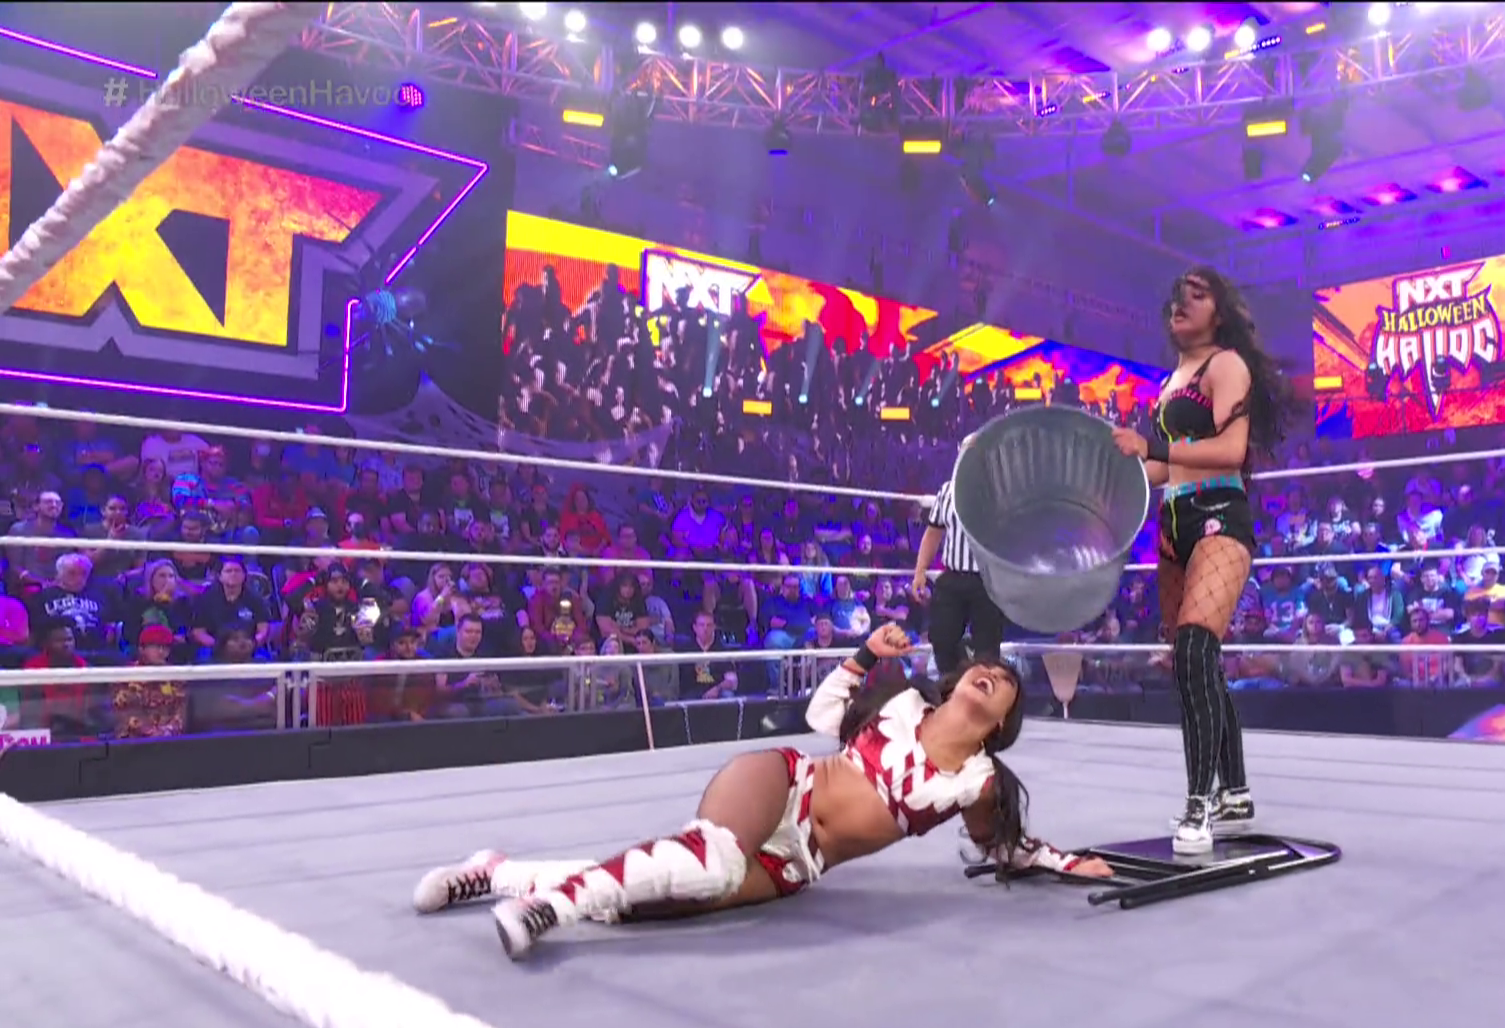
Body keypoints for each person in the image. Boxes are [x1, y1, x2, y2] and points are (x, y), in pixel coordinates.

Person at [412, 624, 1111, 960]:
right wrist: (866, 655)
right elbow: (820, 716)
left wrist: (1069, 863)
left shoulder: (976, 780)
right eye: (984, 669)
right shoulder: (902, 704)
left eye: (1005, 681)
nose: (992, 674)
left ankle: (497, 873)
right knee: (711, 861)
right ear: (956, 683)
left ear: (1003, 721)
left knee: (655, 900)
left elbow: (1003, 847)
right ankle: (547, 911)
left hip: (798, 862)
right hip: (783, 784)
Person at [1112, 266, 1296, 856]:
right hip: (1172, 523)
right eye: (1177, 294)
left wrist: (1152, 445)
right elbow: (1162, 468)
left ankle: (1199, 804)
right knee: (1196, 664)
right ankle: (1235, 790)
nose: (1181, 302)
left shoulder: (1226, 364)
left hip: (1220, 512)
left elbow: (1230, 450)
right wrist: (1113, 478)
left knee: (1194, 648)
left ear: (1219, 311)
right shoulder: (1172, 381)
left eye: (1197, 294)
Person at [912, 437, 1006, 677]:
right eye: (966, 452)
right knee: (942, 638)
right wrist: (920, 571)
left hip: (988, 581)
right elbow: (933, 533)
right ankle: (954, 685)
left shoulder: (1000, 492)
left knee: (987, 649)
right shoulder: (947, 490)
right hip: (953, 576)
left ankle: (981, 691)